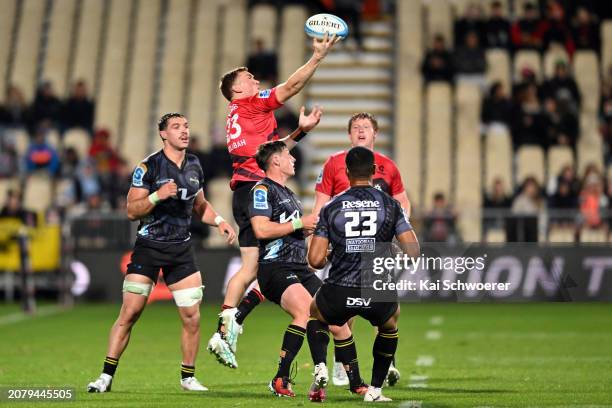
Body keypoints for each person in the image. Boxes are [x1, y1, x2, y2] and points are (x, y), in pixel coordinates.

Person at [207, 33, 339, 368]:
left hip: (246, 190)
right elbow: (290, 87)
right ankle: (225, 329)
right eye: (248, 78)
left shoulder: (239, 115)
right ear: (238, 89)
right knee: (259, 266)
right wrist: (317, 58)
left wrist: (300, 132)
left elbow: (271, 155)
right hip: (257, 192)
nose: (254, 79)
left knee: (264, 267)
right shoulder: (251, 103)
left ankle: (229, 326)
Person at [86, 113, 236, 393]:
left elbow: (200, 204)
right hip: (149, 247)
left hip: (181, 249)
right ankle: (105, 377)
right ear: (163, 134)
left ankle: (188, 377)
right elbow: (132, 211)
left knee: (192, 316)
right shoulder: (149, 166)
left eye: (186, 126)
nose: (184, 131)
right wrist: (156, 195)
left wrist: (220, 222)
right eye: (176, 127)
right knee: (129, 313)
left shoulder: (194, 164)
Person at [249, 141, 367, 400]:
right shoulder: (262, 190)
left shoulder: (288, 193)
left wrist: (309, 232)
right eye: (287, 154)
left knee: (338, 319)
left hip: (299, 267)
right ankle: (280, 378)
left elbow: (290, 229)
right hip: (275, 268)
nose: (293, 158)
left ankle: (356, 382)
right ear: (276, 161)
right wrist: (299, 223)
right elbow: (261, 229)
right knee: (305, 310)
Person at [308, 146, 420, 402]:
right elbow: (413, 251)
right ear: (373, 171)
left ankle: (320, 366)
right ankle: (376, 390)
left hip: (340, 285)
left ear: (346, 172)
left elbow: (314, 260)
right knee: (390, 323)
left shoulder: (332, 207)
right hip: (376, 285)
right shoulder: (390, 205)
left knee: (315, 313)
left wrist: (331, 252)